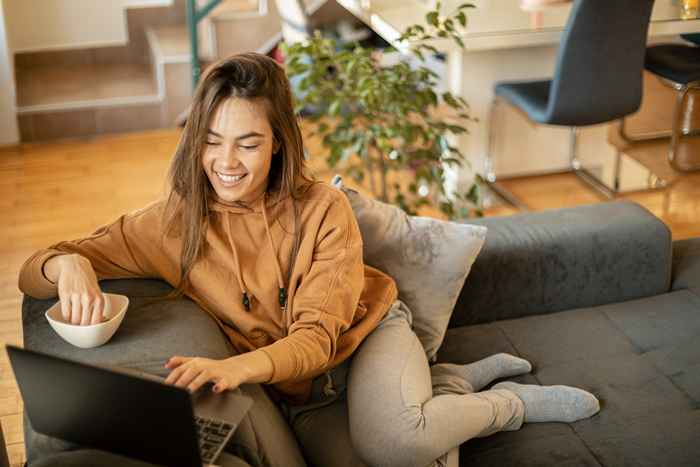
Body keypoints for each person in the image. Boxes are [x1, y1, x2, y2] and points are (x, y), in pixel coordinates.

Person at [18, 52, 600, 467]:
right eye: (213, 140)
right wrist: (71, 264)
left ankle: (508, 406)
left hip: (364, 339)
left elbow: (319, 340)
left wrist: (235, 370)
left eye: (248, 143)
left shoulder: (323, 210)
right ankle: (444, 387)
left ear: (277, 145)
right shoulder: (173, 222)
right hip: (298, 389)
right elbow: (36, 268)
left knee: (396, 446)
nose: (227, 162)